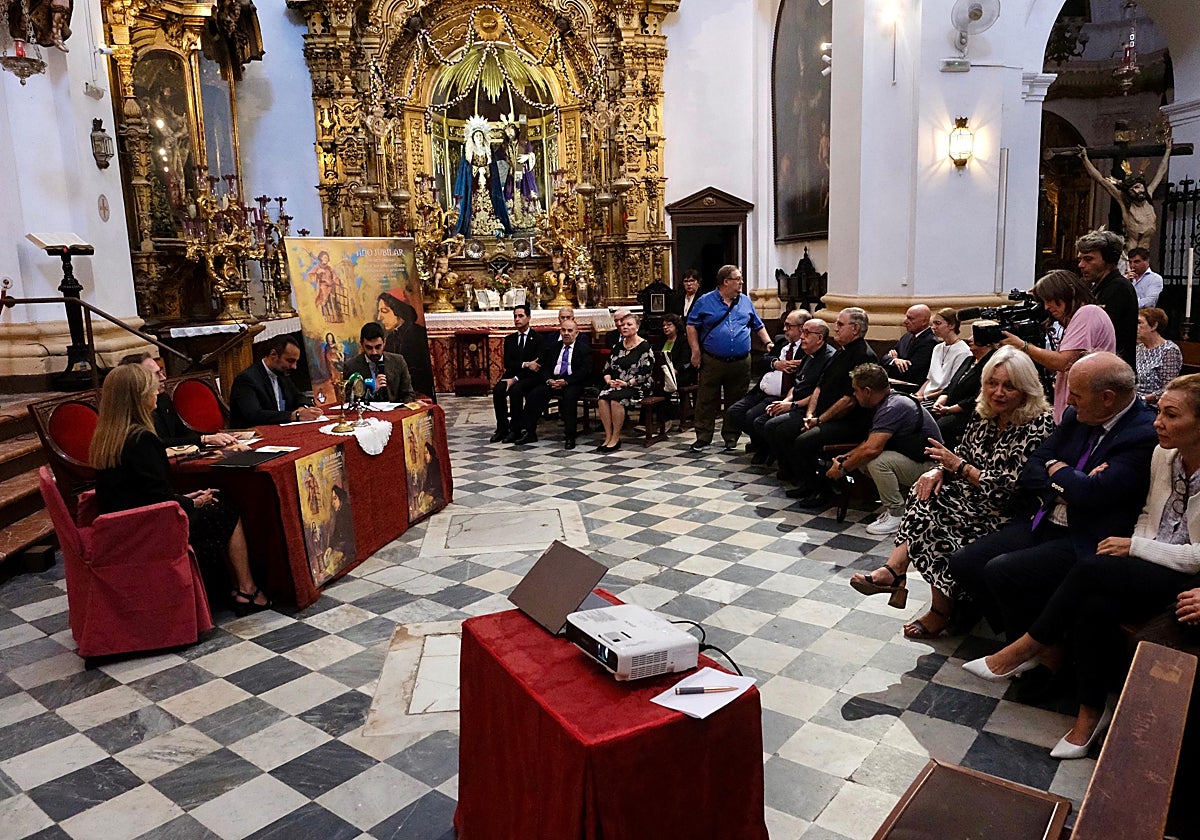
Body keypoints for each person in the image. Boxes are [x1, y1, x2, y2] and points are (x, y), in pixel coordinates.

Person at [962, 373, 1200, 760]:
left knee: (1090, 568)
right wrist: (1137, 543)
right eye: (1159, 412)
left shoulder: (1143, 440)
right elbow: (1147, 512)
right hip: (1144, 556)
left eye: (1171, 415)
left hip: (1187, 575)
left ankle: (1023, 648)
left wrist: (1138, 547)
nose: (1158, 422)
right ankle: (1090, 712)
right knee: (1093, 605)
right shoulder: (1164, 455)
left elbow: (1196, 554)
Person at [948, 352, 1158, 644]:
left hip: (1085, 534)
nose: (1069, 400)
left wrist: (1062, 474)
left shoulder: (1144, 433)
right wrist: (1065, 482)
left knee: (1002, 570)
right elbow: (1033, 466)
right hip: (1044, 517)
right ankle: (1032, 642)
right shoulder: (1079, 415)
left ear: (1107, 398)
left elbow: (1090, 495)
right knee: (964, 562)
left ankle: (1033, 651)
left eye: (1076, 394)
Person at [849, 348, 1054, 638]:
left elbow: (1006, 489)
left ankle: (907, 584)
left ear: (1027, 388)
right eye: (992, 383)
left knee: (937, 521)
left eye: (1009, 386)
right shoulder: (985, 415)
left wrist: (957, 467)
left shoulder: (1038, 424)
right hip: (972, 498)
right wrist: (938, 470)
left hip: (1010, 509)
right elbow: (961, 453)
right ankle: (906, 581)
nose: (998, 392)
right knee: (926, 496)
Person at [89, 364, 271, 616]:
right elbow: (156, 502)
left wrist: (185, 498)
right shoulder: (143, 439)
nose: (156, 394)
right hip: (148, 530)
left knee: (210, 501)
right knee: (225, 507)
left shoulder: (108, 437)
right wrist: (193, 503)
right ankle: (246, 590)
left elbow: (139, 493)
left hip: (122, 527)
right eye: (151, 390)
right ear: (139, 397)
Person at [825, 363, 943, 536]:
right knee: (862, 461)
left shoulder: (892, 407)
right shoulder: (887, 402)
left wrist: (842, 469)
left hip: (933, 469)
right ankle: (904, 503)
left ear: (867, 391)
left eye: (855, 390)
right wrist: (847, 457)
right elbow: (867, 444)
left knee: (876, 461)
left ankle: (897, 514)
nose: (854, 394)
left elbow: (871, 450)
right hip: (916, 460)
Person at [779, 307, 878, 508]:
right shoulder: (841, 352)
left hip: (850, 422)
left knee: (805, 442)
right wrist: (810, 414)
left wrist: (820, 420)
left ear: (856, 328)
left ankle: (822, 491)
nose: (836, 329)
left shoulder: (863, 355)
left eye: (841, 324)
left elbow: (849, 400)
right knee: (787, 431)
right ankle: (808, 483)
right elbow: (819, 387)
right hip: (824, 416)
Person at [1000, 269, 1115, 423]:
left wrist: (1023, 346)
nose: (1047, 307)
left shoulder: (1087, 313)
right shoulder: (1084, 315)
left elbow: (1063, 362)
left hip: (1082, 413)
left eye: (1050, 300)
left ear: (1069, 292)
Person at [686, 265, 772, 453]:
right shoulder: (705, 301)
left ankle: (731, 436)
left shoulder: (745, 301)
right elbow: (691, 325)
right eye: (738, 279)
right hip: (713, 359)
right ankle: (703, 436)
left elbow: (757, 324)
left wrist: (768, 343)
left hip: (741, 361)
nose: (741, 282)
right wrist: (695, 351)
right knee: (706, 399)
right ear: (726, 282)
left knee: (737, 399)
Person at [723, 309, 810, 452]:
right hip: (763, 391)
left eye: (789, 326)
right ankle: (760, 441)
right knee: (734, 411)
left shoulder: (807, 347)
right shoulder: (782, 342)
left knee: (752, 416)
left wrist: (799, 364)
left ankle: (763, 447)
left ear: (801, 328)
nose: (785, 329)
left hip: (784, 395)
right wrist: (776, 363)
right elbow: (763, 361)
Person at [756, 318, 836, 465]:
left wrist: (793, 405)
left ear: (819, 338)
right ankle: (783, 462)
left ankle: (793, 468)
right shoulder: (807, 355)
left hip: (809, 409)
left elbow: (819, 392)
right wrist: (785, 402)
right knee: (761, 421)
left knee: (777, 428)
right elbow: (797, 385)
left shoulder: (829, 358)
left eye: (806, 333)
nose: (802, 337)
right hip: (794, 404)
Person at [118, 353, 238, 449]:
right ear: (139, 380)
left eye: (161, 371)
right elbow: (158, 443)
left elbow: (181, 431)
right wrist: (203, 439)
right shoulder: (132, 414)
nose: (163, 378)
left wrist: (208, 440)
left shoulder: (163, 398)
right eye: (156, 374)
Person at [1077, 139, 1172, 253]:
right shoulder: (1124, 200)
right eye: (1134, 189)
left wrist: (1168, 151)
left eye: (1139, 186)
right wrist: (1085, 159)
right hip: (1131, 250)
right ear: (1129, 193)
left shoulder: (1149, 195)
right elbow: (1100, 179)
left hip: (1145, 250)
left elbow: (1160, 172)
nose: (1139, 190)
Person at [522, 319, 593, 448]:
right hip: (554, 381)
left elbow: (585, 371)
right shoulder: (554, 347)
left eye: (570, 331)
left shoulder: (583, 349)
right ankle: (529, 432)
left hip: (572, 382)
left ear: (576, 333)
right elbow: (545, 367)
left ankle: (570, 436)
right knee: (534, 394)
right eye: (563, 330)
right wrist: (549, 380)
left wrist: (566, 381)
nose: (566, 333)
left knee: (569, 398)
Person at [1075, 229, 1138, 368]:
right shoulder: (1099, 286)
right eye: (1080, 259)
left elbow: (1095, 332)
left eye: (1088, 259)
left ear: (1109, 259)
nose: (1081, 265)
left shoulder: (1118, 287)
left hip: (1113, 373)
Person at [230, 335, 323, 427]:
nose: (294, 367)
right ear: (273, 354)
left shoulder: (281, 373)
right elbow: (254, 415)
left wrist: (302, 408)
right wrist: (294, 416)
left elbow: (299, 397)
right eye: (290, 361)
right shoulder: (247, 379)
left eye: (295, 362)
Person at [596, 313, 654, 452]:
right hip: (617, 384)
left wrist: (627, 383)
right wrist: (609, 381)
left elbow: (645, 373)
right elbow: (607, 368)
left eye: (629, 324)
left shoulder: (644, 346)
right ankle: (608, 436)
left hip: (638, 385)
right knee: (602, 398)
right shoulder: (618, 346)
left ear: (637, 327)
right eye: (623, 325)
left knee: (616, 400)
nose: (625, 327)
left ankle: (616, 438)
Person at [929, 332, 998, 446]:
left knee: (942, 425)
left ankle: (951, 457)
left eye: (975, 336)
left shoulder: (992, 364)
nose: (969, 339)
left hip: (972, 411)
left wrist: (949, 409)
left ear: (988, 343)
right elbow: (951, 385)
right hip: (949, 406)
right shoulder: (969, 360)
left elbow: (978, 397)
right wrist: (940, 402)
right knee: (926, 416)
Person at [453, 116, 514, 237]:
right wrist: (476, 170)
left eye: (481, 136)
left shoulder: (488, 150)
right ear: (473, 138)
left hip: (486, 183)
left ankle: (490, 223)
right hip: (474, 185)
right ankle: (473, 225)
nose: (479, 138)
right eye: (476, 136)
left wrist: (484, 170)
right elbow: (466, 170)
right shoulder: (469, 152)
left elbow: (493, 169)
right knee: (474, 203)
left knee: (488, 202)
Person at [490, 305, 542, 443]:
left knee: (516, 391)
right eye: (515, 316)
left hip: (530, 377)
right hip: (513, 372)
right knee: (498, 390)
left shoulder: (537, 339)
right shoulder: (510, 339)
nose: (517, 319)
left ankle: (516, 429)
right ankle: (502, 427)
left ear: (529, 318)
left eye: (521, 316)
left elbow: (536, 366)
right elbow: (508, 362)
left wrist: (516, 378)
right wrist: (525, 364)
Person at [377, 291, 436, 402]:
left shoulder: (417, 334)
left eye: (384, 311)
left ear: (399, 311)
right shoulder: (390, 338)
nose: (379, 317)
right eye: (379, 311)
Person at [342, 321, 418, 403]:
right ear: (361, 344)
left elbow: (409, 394)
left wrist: (402, 409)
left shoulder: (398, 361)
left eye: (378, 347)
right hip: (367, 413)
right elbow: (349, 400)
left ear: (384, 342)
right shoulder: (351, 366)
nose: (374, 352)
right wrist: (372, 388)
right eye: (369, 348)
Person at [913, 308, 971, 404]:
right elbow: (930, 380)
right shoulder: (937, 348)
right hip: (926, 398)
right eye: (933, 324)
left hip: (941, 400)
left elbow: (952, 387)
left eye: (938, 323)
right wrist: (917, 395)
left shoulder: (964, 351)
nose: (933, 327)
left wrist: (924, 398)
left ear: (952, 325)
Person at [1136, 307, 1183, 406]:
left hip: (1153, 406)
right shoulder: (1139, 348)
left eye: (1139, 323)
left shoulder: (1169, 350)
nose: (1135, 327)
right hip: (1135, 402)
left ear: (1154, 326)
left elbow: (1168, 387)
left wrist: (1143, 399)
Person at [881, 304, 936, 387]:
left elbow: (910, 371)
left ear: (924, 321)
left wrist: (894, 361)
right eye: (907, 317)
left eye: (910, 318)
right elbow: (884, 358)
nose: (905, 321)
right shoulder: (907, 336)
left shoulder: (930, 342)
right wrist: (895, 361)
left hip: (911, 387)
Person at [661, 313, 695, 388]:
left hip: (679, 373)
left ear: (676, 326)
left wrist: (674, 371)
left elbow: (684, 359)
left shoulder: (683, 340)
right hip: (663, 373)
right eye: (664, 325)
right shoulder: (662, 341)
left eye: (669, 325)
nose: (665, 327)